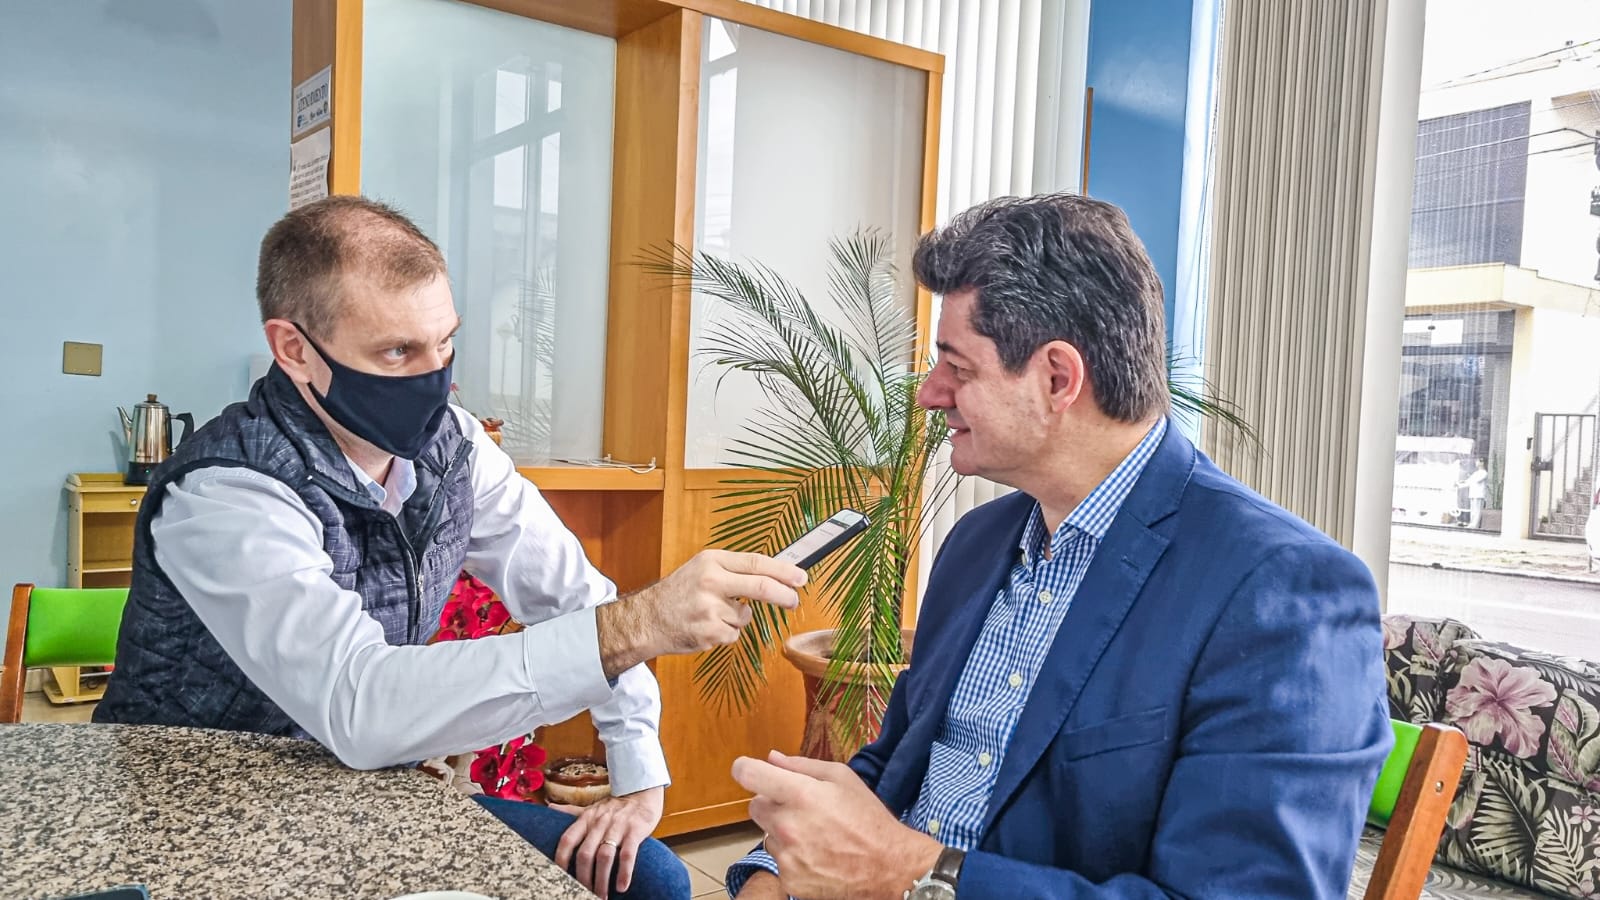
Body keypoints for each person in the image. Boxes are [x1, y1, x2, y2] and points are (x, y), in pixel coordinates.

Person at [94, 195, 809, 900]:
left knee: (648, 877)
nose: (434, 378)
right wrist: (640, 624)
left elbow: (571, 596)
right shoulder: (226, 492)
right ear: (294, 349)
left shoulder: (455, 447)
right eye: (397, 351)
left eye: (444, 344)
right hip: (205, 817)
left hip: (362, 793)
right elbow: (360, 705)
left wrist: (637, 767)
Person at [724, 194, 1392, 900]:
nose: (929, 394)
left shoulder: (1282, 590)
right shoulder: (976, 544)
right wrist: (773, 872)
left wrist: (912, 876)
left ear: (1057, 379)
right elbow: (896, 769)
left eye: (959, 368)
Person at [1461, 458, 1489, 529]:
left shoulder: (1484, 473)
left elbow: (1475, 480)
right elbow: (1468, 481)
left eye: (1477, 461)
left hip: (1479, 494)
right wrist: (1461, 483)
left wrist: (1468, 480)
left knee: (1477, 511)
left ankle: (1475, 525)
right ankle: (1472, 524)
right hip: (1473, 493)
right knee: (1473, 510)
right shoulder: (1476, 473)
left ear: (1482, 463)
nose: (1476, 462)